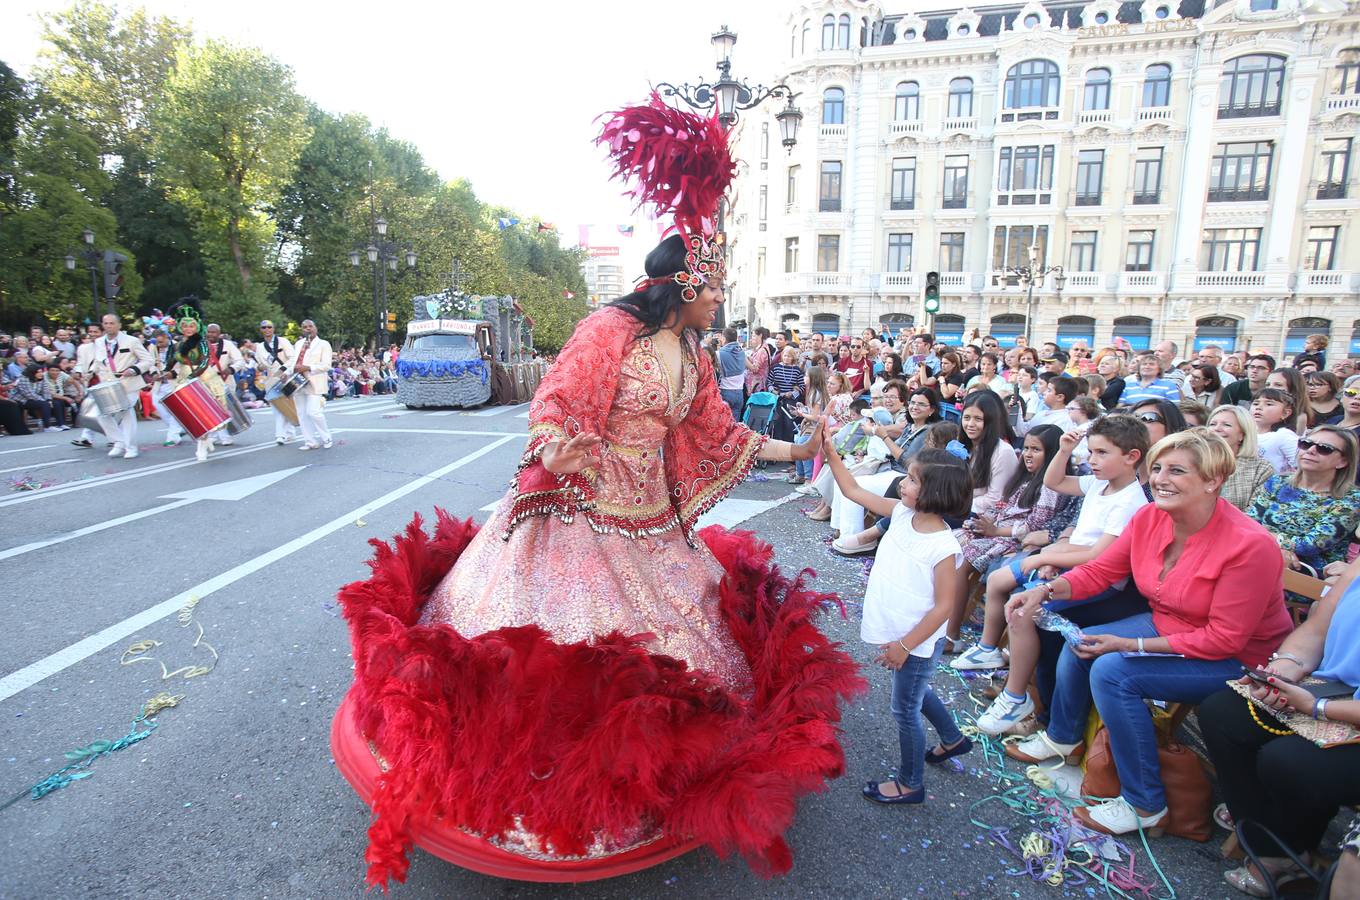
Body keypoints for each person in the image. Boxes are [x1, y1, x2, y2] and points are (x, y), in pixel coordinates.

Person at [331, 101, 859, 886]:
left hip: (651, 521)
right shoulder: (608, 331)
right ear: (684, 285)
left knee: (675, 659)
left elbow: (718, 432)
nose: (720, 302)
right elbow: (558, 402)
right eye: (713, 291)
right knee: (555, 665)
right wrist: (558, 444)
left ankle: (651, 784)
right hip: (578, 510)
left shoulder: (695, 352)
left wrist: (801, 445)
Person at [1004, 428, 1293, 835]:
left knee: (1113, 671)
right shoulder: (1151, 515)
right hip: (1172, 623)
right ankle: (1063, 740)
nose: (1159, 478)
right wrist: (1045, 592)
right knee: (1082, 640)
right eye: (1156, 468)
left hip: (1238, 659)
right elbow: (1102, 571)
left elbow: (1225, 639)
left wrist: (1129, 644)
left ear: (1213, 480)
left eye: (1176, 471)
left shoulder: (1250, 545)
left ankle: (1145, 804)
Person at [1197, 557, 1360, 898]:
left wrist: (1317, 707)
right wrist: (1282, 671)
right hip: (1335, 689)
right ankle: (1270, 845)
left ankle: (1282, 849)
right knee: (1222, 712)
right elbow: (1315, 630)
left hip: (1344, 706)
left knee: (1288, 760)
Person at [821, 443, 973, 804]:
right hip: (902, 635)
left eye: (913, 480)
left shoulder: (942, 546)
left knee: (904, 708)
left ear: (935, 492)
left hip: (916, 642)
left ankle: (910, 783)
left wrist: (904, 646)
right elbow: (853, 491)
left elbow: (944, 607)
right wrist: (829, 452)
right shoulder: (902, 515)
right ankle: (953, 739)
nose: (903, 484)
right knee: (916, 693)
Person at [952, 416, 1149, 693]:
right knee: (998, 580)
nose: (1092, 460)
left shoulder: (1130, 502)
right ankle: (988, 648)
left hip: (1095, 577)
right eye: (1091, 452)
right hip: (1066, 561)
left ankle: (1016, 693)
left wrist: (1047, 557)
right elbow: (1054, 480)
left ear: (1132, 457)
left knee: (1023, 609)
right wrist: (1065, 450)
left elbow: (1097, 556)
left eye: (1102, 453)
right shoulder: (1097, 484)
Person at [1249, 425, 1360, 581]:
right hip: (1259, 556)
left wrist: (1274, 543)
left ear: (1343, 461)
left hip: (1306, 573)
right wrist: (1276, 548)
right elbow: (1248, 523)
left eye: (1324, 448)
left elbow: (1309, 545)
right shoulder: (1278, 482)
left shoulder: (1351, 499)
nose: (1311, 450)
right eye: (1306, 444)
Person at [75, 313, 153, 459]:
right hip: (107, 384)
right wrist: (91, 373)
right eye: (106, 323)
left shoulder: (132, 341)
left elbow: (148, 360)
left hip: (128, 384)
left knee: (126, 414)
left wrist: (133, 370)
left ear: (119, 325)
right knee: (101, 415)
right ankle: (118, 441)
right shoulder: (99, 342)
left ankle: (131, 447)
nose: (108, 326)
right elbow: (99, 362)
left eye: (112, 323)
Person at [959, 391, 1021, 516]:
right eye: (966, 418)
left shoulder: (1003, 452)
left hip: (983, 514)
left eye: (978, 419)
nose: (970, 424)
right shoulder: (963, 446)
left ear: (990, 422)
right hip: (959, 506)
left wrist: (955, 505)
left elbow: (995, 499)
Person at [1208, 405, 1275, 511]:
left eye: (1226, 425)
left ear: (1242, 435)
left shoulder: (1261, 468)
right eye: (1212, 424)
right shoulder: (1193, 462)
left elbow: (1256, 512)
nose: (1217, 429)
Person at [253, 319, 299, 445]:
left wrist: (285, 370)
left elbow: (293, 357)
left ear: (273, 329)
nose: (267, 330)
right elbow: (258, 364)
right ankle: (287, 433)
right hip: (271, 379)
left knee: (286, 405)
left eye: (269, 327)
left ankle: (282, 434)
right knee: (277, 408)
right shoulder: (260, 347)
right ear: (261, 330)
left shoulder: (283, 341)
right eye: (264, 328)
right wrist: (260, 367)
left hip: (286, 377)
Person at [292, 320, 333, 451]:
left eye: (310, 326)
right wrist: (285, 372)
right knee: (302, 413)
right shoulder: (298, 344)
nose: (308, 329)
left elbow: (326, 365)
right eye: (304, 327)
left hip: (314, 381)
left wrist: (308, 367)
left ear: (316, 328)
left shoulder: (323, 344)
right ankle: (310, 441)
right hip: (297, 381)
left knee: (313, 412)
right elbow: (293, 361)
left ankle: (326, 437)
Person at [1252, 387, 1300, 474]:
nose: (1259, 407)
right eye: (1255, 403)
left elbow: (1299, 464)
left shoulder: (1283, 435)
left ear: (1285, 413)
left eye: (1269, 404)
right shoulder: (1244, 433)